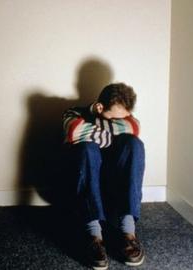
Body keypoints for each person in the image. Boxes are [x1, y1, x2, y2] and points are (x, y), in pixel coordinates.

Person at [62, 82, 145, 270]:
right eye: (114, 118)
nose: (120, 121)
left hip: (112, 184)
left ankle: (128, 233)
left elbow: (135, 128)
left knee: (134, 144)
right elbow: (74, 130)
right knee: (87, 148)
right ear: (99, 107)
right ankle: (94, 236)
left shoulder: (126, 116)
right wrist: (111, 136)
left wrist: (92, 132)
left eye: (121, 120)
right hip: (84, 185)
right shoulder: (73, 113)